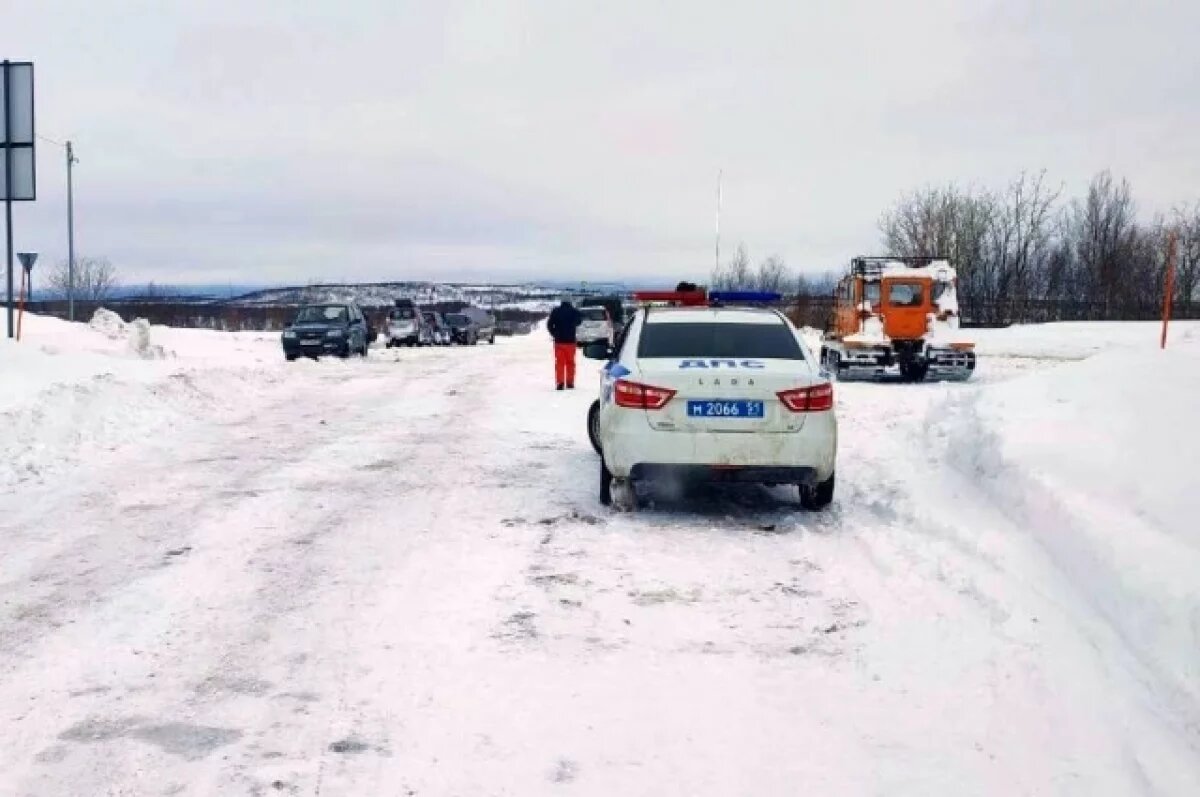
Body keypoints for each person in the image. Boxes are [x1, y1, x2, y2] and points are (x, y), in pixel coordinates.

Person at [546, 298, 583, 390]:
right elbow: (579, 321)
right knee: (570, 363)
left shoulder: (556, 311)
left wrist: (554, 333)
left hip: (559, 342)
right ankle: (570, 383)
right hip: (571, 341)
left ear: (561, 301)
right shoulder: (574, 311)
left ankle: (560, 383)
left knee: (559, 363)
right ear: (570, 301)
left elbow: (549, 324)